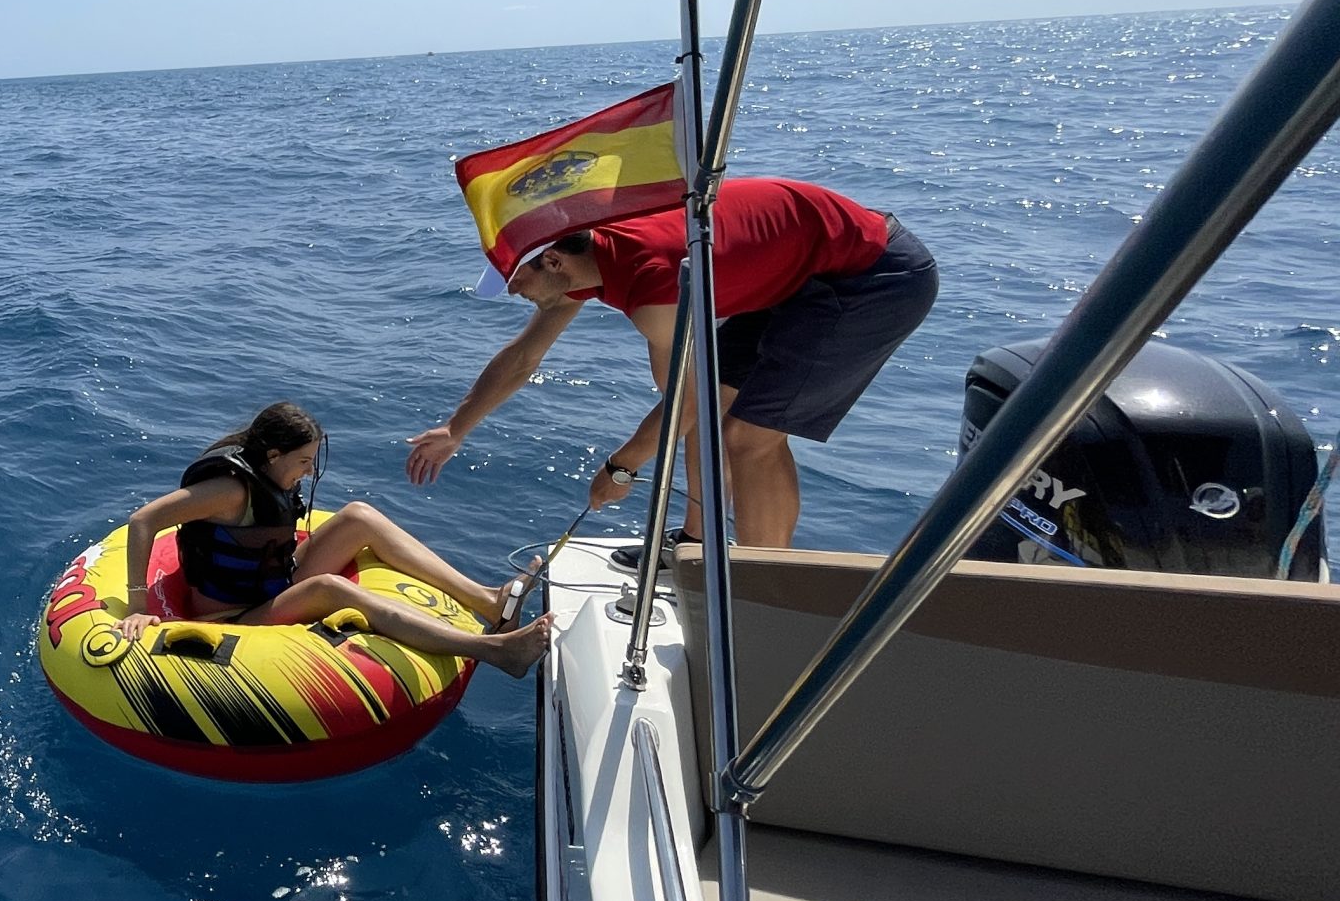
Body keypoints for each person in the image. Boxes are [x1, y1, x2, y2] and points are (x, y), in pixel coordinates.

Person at [404, 178, 938, 550]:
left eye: (514, 279)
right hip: (798, 276)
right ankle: (698, 543)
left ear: (552, 260)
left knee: (748, 438)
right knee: (703, 411)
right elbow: (524, 356)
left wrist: (621, 468)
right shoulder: (587, 263)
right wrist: (457, 428)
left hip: (870, 275)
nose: (513, 291)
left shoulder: (653, 288)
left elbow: (684, 401)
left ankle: (764, 583)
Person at [120, 402, 550, 675]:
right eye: (303, 461)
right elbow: (144, 521)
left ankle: (487, 600)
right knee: (330, 588)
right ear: (273, 455)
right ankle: (491, 650)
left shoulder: (269, 474)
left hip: (272, 583)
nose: (309, 471)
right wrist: (138, 606)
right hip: (233, 617)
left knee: (359, 516)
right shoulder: (228, 490)